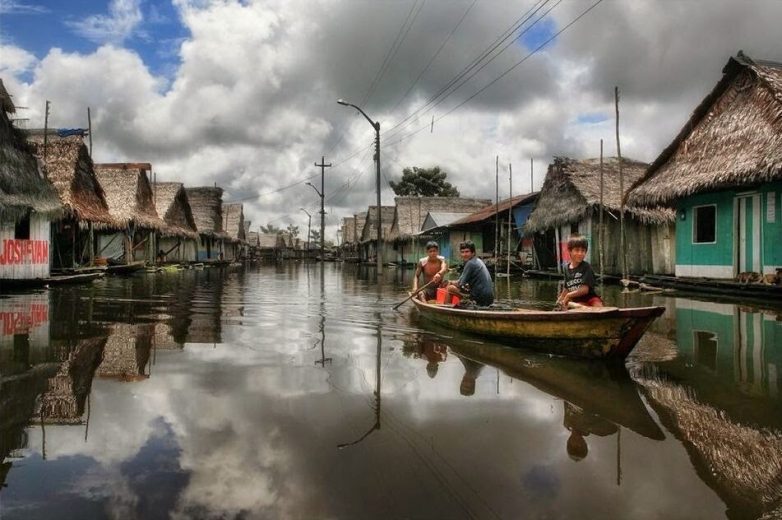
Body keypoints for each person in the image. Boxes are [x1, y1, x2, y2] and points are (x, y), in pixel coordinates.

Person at [557, 235, 603, 308]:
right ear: (570, 251)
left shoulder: (586, 267)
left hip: (590, 298)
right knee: (565, 303)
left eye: (583, 251)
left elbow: (585, 290)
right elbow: (566, 288)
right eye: (577, 250)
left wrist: (568, 295)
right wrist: (560, 300)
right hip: (577, 301)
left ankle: (581, 308)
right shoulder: (566, 268)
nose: (580, 253)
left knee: (598, 306)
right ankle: (579, 307)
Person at [446, 241, 494, 307]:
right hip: (489, 298)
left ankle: (446, 309)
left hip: (479, 298)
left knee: (450, 288)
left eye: (467, 252)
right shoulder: (478, 261)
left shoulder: (470, 263)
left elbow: (460, 284)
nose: (464, 254)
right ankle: (463, 304)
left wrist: (450, 282)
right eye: (462, 252)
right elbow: (464, 282)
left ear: (473, 253)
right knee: (459, 288)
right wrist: (452, 282)